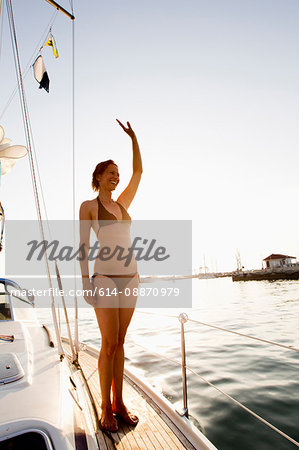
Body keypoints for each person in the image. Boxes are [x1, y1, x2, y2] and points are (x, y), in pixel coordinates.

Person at [79, 120, 142, 432]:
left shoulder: (123, 203)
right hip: (104, 278)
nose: (117, 177)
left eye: (118, 173)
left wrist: (134, 138)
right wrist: (84, 284)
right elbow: (82, 246)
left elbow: (139, 173)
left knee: (120, 341)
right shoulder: (89, 206)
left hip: (131, 277)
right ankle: (105, 406)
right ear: (99, 177)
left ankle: (120, 402)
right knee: (107, 344)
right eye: (111, 173)